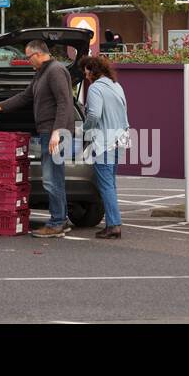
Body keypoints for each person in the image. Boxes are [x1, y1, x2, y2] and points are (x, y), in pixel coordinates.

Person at [0, 39, 75, 237]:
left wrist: (57, 132)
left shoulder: (55, 71)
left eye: (28, 57)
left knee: (51, 179)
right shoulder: (42, 73)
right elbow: (24, 97)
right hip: (48, 131)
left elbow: (64, 102)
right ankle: (62, 220)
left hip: (54, 133)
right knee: (55, 177)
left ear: (39, 54)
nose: (27, 61)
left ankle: (57, 222)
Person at [79, 54, 130, 239]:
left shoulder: (95, 88)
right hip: (120, 139)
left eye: (86, 72)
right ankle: (113, 222)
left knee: (106, 184)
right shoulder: (117, 86)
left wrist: (83, 130)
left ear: (93, 70)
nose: (85, 76)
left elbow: (94, 115)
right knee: (111, 183)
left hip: (104, 142)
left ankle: (114, 225)